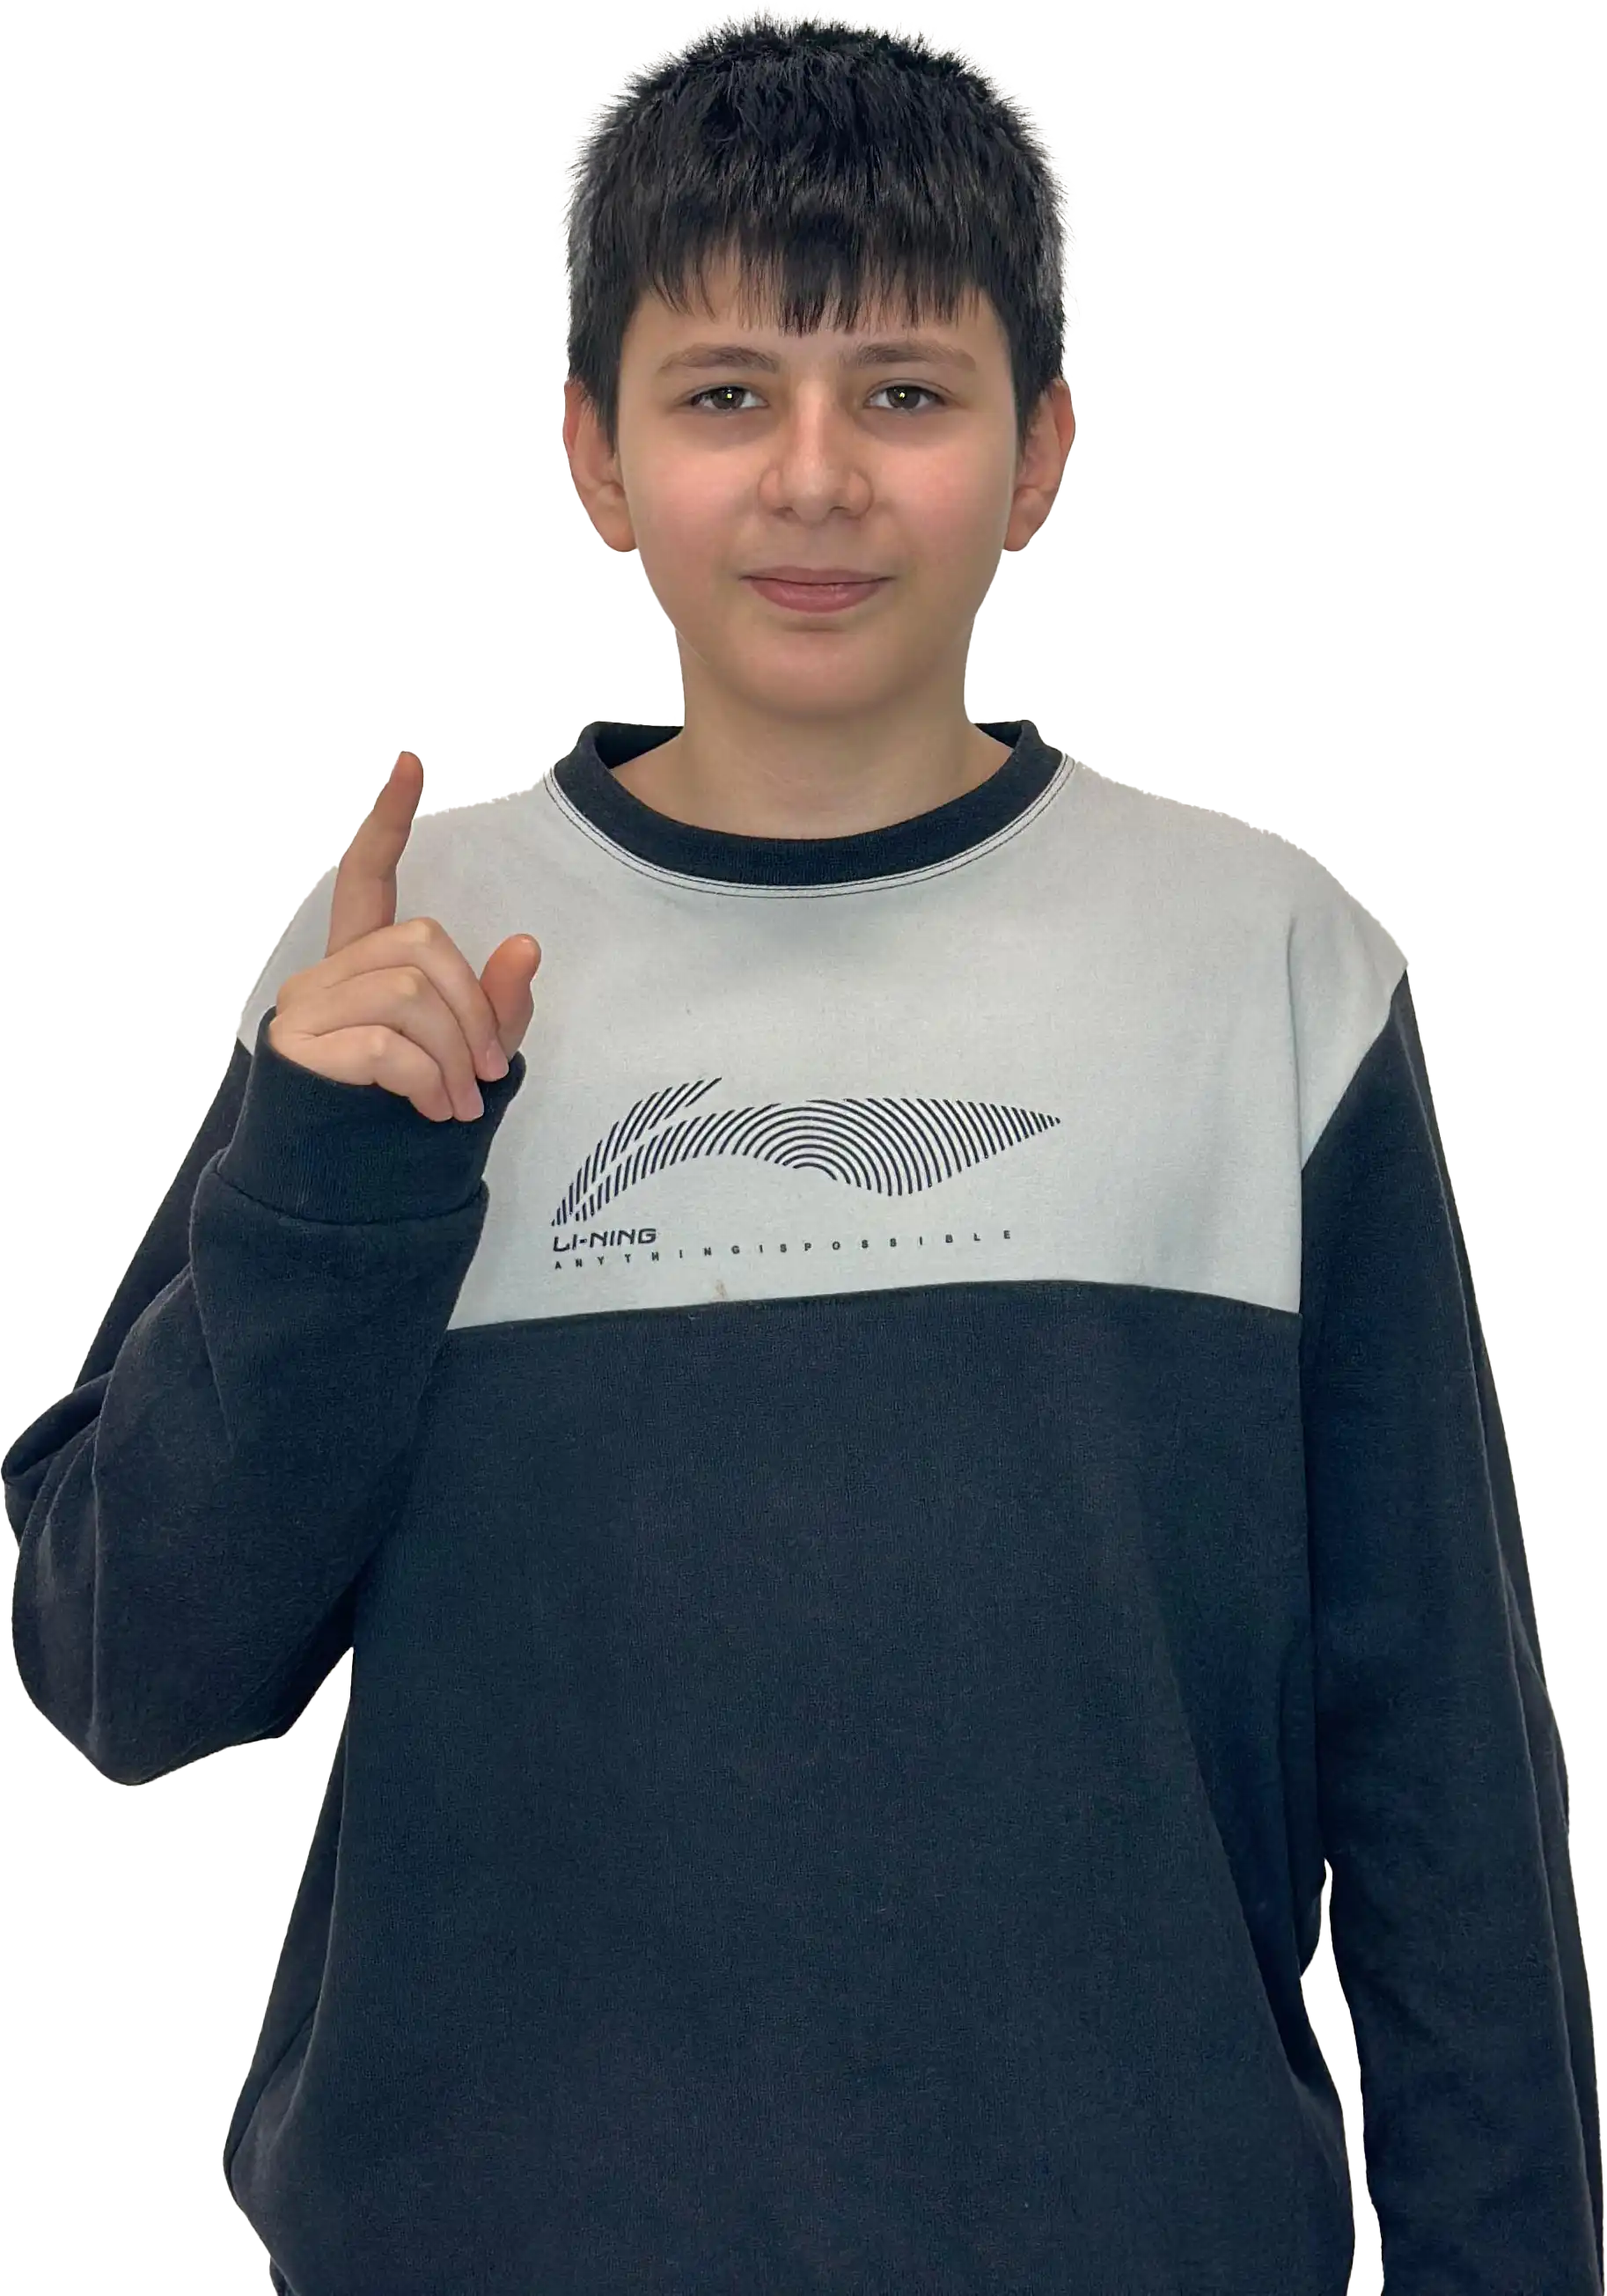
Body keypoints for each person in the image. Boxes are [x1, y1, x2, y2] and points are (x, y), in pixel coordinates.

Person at [4, 8, 1601, 2292]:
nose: (817, 478)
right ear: (596, 452)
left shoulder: (1264, 961)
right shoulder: (402, 959)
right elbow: (130, 1671)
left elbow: (1441, 1762)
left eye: (909, 394)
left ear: (1042, 454)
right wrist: (336, 1183)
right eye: (727, 394)